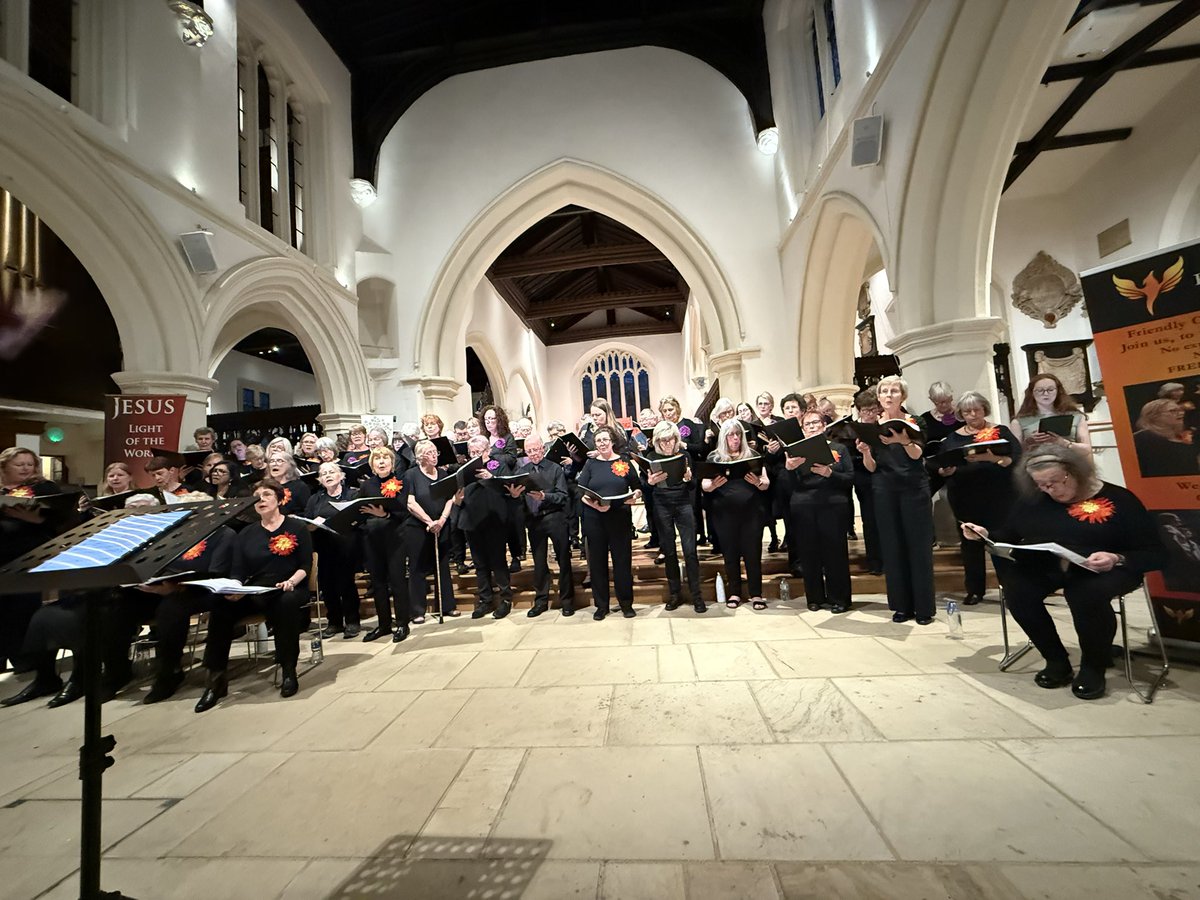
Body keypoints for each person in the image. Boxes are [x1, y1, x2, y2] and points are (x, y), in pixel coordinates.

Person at [962, 445, 1166, 700]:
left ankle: (1094, 666)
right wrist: (985, 534)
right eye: (1041, 484)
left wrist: (1117, 558)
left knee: (1085, 594)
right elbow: (1009, 534)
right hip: (1049, 565)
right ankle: (1056, 659)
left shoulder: (1120, 499)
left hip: (1106, 568)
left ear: (1076, 472)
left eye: (1055, 481)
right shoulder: (1034, 500)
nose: (1050, 489)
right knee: (1018, 589)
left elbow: (1155, 553)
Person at [195, 479, 314, 711]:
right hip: (257, 589)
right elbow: (238, 571)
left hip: (288, 586)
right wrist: (235, 588)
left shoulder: (297, 527)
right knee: (221, 607)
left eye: (267, 494)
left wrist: (291, 581)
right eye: (257, 496)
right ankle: (216, 680)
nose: (261, 499)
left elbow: (305, 565)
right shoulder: (246, 533)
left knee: (286, 604)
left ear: (279, 499)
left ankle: (288, 670)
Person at [856, 375, 936, 625]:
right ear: (879, 397)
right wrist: (865, 452)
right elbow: (871, 468)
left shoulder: (915, 421)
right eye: (884, 391)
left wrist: (904, 441)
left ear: (903, 396)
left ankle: (923, 608)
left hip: (913, 488)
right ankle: (901, 606)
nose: (888, 395)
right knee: (892, 547)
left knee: (918, 547)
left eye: (894, 391)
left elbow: (917, 455)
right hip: (884, 489)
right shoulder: (873, 425)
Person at [934, 391, 1020, 606]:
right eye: (967, 412)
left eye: (976, 410)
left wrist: (994, 458)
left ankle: (1010, 588)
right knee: (970, 544)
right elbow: (943, 466)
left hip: (999, 496)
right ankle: (974, 590)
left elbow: (1017, 459)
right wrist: (945, 471)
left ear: (984, 409)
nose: (972, 415)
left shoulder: (1001, 431)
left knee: (1001, 542)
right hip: (965, 497)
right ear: (961, 414)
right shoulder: (953, 439)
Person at [783, 410, 854, 613]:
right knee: (809, 554)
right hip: (804, 506)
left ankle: (839, 599)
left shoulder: (839, 448)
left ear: (824, 426)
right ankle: (814, 597)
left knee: (835, 553)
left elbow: (850, 478)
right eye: (808, 424)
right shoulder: (794, 452)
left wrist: (829, 473)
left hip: (833, 505)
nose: (812, 427)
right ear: (803, 429)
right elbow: (787, 487)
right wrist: (789, 469)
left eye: (816, 423)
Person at [0, 447, 63, 672]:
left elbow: (61, 521)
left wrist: (33, 519)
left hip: (28, 555)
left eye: (30, 464)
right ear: (4, 467)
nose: (26, 468)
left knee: (22, 610)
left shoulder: (44, 488)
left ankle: (26, 660)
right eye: (19, 464)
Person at [702, 419, 770, 609]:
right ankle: (734, 592)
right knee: (730, 553)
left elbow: (766, 483)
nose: (735, 438)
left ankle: (756, 594)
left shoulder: (753, 455)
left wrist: (757, 482)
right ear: (724, 437)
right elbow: (705, 485)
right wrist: (713, 484)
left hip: (751, 513)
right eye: (731, 435)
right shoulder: (715, 457)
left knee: (752, 553)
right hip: (724, 514)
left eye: (738, 434)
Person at [577, 426, 643, 619]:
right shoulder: (590, 464)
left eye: (605, 439)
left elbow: (637, 487)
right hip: (595, 518)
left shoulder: (623, 461)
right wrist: (597, 506)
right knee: (597, 562)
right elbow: (581, 491)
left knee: (622, 561)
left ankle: (626, 604)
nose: (602, 443)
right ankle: (601, 605)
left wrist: (635, 496)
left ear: (612, 441)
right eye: (598, 441)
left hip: (619, 517)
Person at [509, 433, 575, 617]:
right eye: (529, 451)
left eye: (536, 450)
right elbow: (518, 500)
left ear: (543, 449)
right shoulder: (522, 471)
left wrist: (545, 496)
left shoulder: (555, 468)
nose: (533, 454)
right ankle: (541, 601)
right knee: (539, 562)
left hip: (555, 518)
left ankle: (567, 601)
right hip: (534, 520)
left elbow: (563, 496)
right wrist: (515, 496)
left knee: (563, 559)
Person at [645, 421, 704, 612]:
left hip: (683, 503)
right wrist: (651, 482)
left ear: (676, 439)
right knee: (669, 551)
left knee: (690, 551)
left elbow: (694, 486)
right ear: (657, 441)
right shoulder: (651, 457)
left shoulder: (684, 455)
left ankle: (697, 596)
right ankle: (674, 594)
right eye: (663, 440)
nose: (668, 443)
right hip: (662, 504)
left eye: (671, 439)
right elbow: (645, 487)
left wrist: (688, 478)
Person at [357, 446, 410, 642]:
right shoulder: (367, 485)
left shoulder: (401, 482)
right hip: (372, 538)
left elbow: (404, 511)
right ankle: (384, 625)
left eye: (385, 458)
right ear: (372, 465)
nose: (381, 461)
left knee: (397, 581)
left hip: (395, 537)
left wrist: (385, 514)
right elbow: (359, 509)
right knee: (378, 583)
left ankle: (403, 624)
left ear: (392, 462)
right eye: (377, 459)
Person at [458, 435, 514, 619]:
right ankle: (485, 600)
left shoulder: (497, 465)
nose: (475, 455)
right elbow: (457, 495)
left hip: (494, 519)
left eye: (478, 452)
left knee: (498, 561)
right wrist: (457, 498)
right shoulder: (464, 470)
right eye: (472, 452)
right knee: (480, 563)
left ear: (488, 450)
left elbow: (509, 488)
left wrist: (492, 478)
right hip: (472, 520)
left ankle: (505, 598)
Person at [305, 461, 363, 638]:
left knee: (346, 584)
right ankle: (334, 622)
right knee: (327, 585)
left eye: (331, 472)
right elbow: (307, 521)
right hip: (324, 547)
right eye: (323, 474)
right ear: (320, 480)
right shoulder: (315, 499)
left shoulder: (352, 494)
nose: (328, 476)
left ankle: (352, 621)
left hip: (346, 546)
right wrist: (312, 525)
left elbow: (358, 518)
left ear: (341, 476)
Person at [403, 439, 458, 622]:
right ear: (420, 457)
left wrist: (441, 520)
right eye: (429, 453)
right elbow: (410, 502)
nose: (434, 456)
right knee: (417, 567)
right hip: (418, 527)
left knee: (442, 565)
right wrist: (428, 521)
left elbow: (450, 498)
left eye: (435, 452)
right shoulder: (411, 475)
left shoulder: (443, 474)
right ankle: (418, 611)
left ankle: (447, 606)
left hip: (441, 524)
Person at [1011, 373, 1091, 455]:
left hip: (1069, 460)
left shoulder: (1076, 417)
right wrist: (1030, 442)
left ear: (1058, 391)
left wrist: (1064, 443)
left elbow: (1087, 450)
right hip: (1037, 461)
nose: (1045, 394)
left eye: (1050, 390)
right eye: (1040, 390)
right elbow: (1014, 454)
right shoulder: (1018, 422)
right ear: (1032, 393)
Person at [849, 389, 883, 575]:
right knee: (870, 520)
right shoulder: (851, 430)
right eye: (865, 410)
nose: (870, 414)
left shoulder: (883, 426)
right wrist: (861, 452)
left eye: (873, 409)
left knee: (886, 519)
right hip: (864, 479)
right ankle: (875, 562)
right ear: (859, 410)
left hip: (883, 476)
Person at [1132, 398, 1198, 477]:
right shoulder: (1142, 438)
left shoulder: (1183, 438)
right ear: (1154, 416)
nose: (1181, 413)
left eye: (1180, 410)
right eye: (1173, 411)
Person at [755, 391, 783, 553]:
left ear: (771, 405)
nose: (763, 406)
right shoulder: (753, 424)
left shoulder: (779, 422)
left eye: (766, 403)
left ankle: (787, 537)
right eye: (760, 403)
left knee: (781, 503)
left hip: (778, 467)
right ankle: (773, 537)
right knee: (767, 506)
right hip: (763, 468)